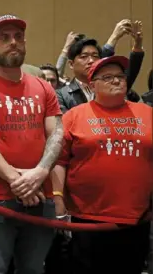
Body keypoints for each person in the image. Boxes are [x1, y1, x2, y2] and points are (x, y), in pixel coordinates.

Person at [0, 15, 63, 274]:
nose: (13, 42)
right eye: (4, 38)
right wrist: (17, 181)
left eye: (18, 37)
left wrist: (39, 173)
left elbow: (57, 134)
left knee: (34, 269)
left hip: (42, 193)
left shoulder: (44, 87)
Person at [53, 56, 152, 274]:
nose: (116, 81)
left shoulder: (148, 114)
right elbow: (59, 162)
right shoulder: (74, 116)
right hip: (86, 220)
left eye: (120, 76)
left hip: (136, 219)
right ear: (92, 85)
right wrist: (58, 200)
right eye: (107, 77)